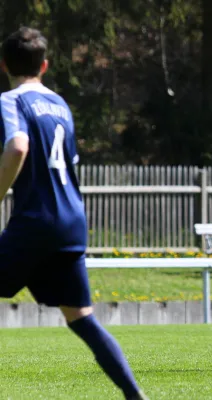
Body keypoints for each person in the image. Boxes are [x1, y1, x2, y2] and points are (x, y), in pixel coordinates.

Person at [0, 27, 147, 399]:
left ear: (4, 65)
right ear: (45, 65)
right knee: (80, 317)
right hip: (71, 221)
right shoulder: (61, 106)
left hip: (37, 220)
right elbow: (70, 163)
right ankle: (136, 396)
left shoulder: (11, 101)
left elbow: (18, 147)